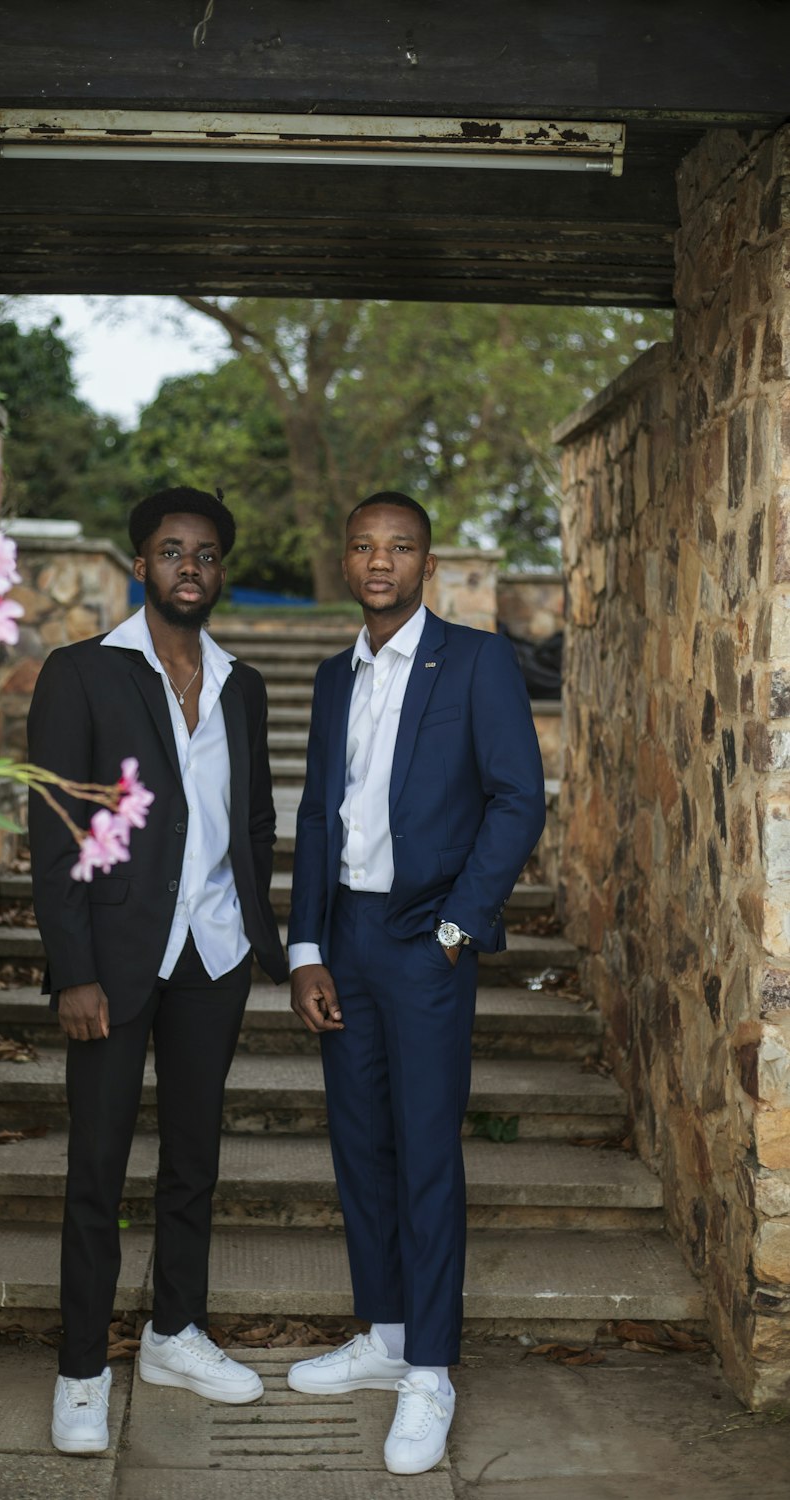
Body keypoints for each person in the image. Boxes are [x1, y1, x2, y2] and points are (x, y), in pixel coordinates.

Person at [286, 492, 546, 1476]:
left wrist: (454, 928)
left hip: (423, 938)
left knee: (427, 1152)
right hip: (345, 935)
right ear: (345, 561)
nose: (379, 561)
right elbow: (316, 815)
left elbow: (517, 797)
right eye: (362, 546)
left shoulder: (473, 661)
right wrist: (305, 945)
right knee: (361, 1145)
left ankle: (430, 1370)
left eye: (398, 547)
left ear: (425, 562)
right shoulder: (328, 677)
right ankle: (388, 1333)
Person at [27, 486, 287, 1455]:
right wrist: (73, 969)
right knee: (96, 1170)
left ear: (221, 570)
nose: (191, 566)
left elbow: (251, 821)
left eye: (207, 552)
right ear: (142, 565)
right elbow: (56, 834)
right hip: (115, 960)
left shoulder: (242, 686)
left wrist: (260, 930)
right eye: (173, 550)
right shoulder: (84, 673)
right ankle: (82, 1370)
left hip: (211, 955)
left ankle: (175, 1333)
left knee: (193, 1164)